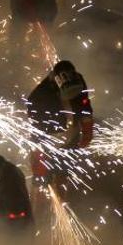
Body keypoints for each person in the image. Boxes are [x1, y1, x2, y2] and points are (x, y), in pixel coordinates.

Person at [26, 60, 94, 195]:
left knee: (64, 175)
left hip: (71, 138)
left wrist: (87, 130)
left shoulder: (78, 81)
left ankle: (62, 200)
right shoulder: (38, 98)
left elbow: (85, 105)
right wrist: (38, 157)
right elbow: (36, 131)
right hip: (49, 142)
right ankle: (39, 203)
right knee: (41, 182)